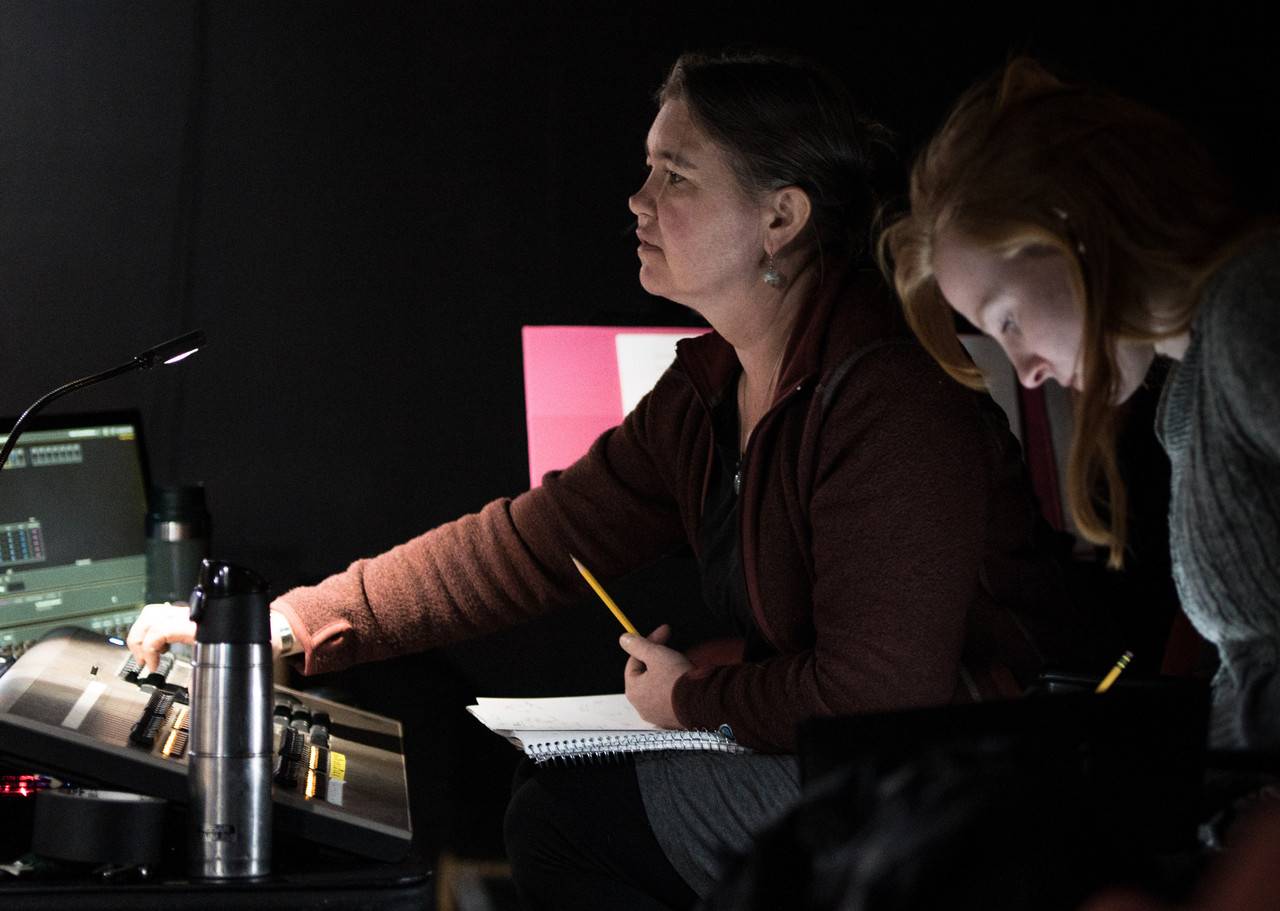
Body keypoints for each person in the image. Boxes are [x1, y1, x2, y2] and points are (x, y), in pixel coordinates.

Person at [129, 51, 1071, 908]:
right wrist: (284, 627)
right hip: (866, 763)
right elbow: (523, 547)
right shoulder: (710, 389)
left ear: (781, 217)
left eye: (675, 175)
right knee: (558, 800)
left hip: (965, 785)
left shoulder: (886, 395)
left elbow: (879, 698)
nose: (637, 200)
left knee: (570, 819)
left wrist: (692, 701)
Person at [880, 57, 1280, 751]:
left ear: (1072, 227)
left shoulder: (1253, 313)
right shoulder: (1188, 393)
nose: (1028, 373)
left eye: (1007, 319)